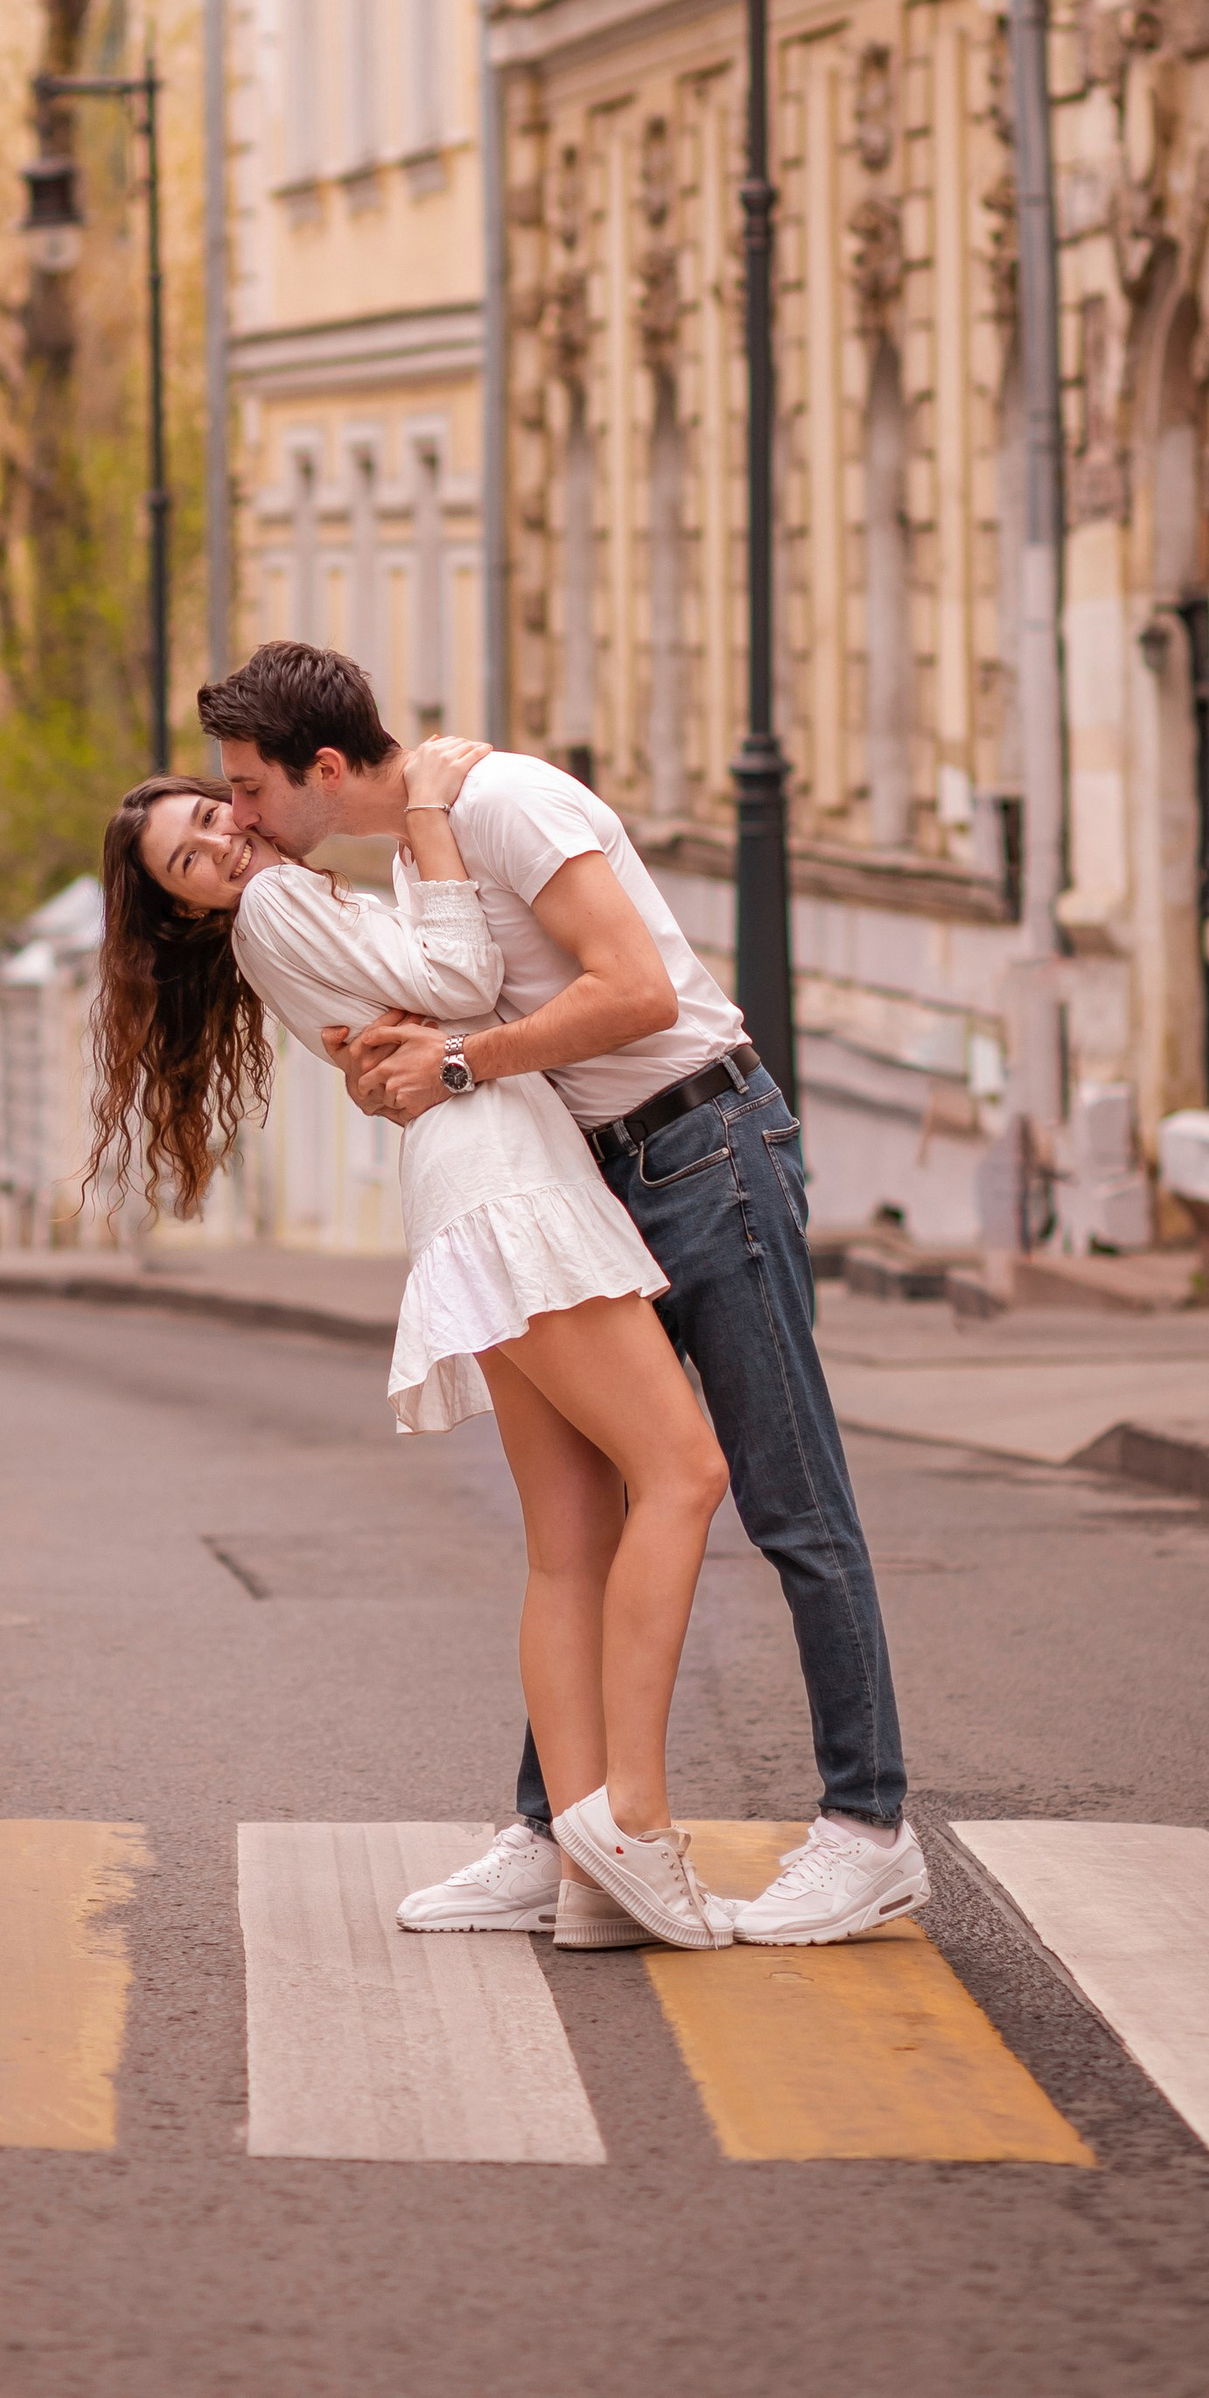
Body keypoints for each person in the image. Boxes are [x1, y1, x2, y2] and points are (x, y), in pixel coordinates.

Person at [196, 641, 926, 1953]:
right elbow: (443, 1017)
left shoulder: (504, 801)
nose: (238, 816)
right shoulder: (421, 847)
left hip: (706, 1149)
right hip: (595, 1175)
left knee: (789, 1501)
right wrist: (391, 1066)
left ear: (322, 768)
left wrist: (460, 1063)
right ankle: (558, 1830)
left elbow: (633, 991)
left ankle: (866, 1829)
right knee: (586, 1527)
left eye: (248, 788)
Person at [91, 743, 737, 1953]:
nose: (223, 838)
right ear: (186, 906)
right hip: (502, 1174)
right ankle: (630, 1820)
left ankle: (586, 1873)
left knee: (568, 1545)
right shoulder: (276, 904)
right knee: (683, 1474)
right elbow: (462, 972)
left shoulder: (291, 904)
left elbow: (437, 1001)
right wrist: (431, 816)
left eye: (212, 814)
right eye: (190, 857)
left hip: (472, 1171)